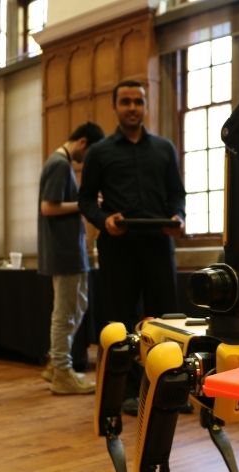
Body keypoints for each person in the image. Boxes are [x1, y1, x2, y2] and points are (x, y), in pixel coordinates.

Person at [78, 80, 186, 414]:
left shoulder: (164, 148)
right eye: (125, 102)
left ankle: (171, 390)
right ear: (115, 107)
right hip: (118, 247)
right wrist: (104, 219)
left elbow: (177, 194)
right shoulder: (99, 153)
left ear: (146, 105)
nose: (132, 108)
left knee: (167, 319)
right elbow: (85, 200)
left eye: (138, 102)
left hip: (157, 244)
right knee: (121, 322)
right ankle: (125, 393)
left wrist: (178, 216)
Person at [38, 122, 104, 394]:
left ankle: (56, 364)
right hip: (64, 250)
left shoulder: (60, 163)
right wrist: (85, 204)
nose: (87, 160)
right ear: (82, 143)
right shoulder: (59, 164)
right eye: (90, 153)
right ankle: (62, 370)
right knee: (66, 311)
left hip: (67, 249)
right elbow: (48, 207)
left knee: (75, 307)